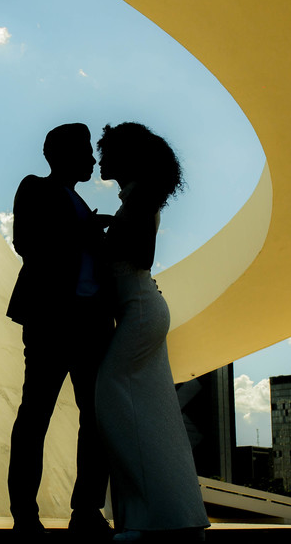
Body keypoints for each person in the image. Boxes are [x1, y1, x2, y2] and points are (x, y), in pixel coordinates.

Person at [94, 122, 209, 542]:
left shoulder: (139, 198)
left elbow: (140, 254)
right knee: (156, 417)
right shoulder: (138, 198)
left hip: (139, 311)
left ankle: (147, 518)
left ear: (126, 158)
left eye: (107, 152)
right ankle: (166, 515)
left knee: (112, 400)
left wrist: (98, 239)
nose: (101, 160)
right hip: (140, 310)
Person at [5, 123, 114, 539]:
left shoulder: (81, 204)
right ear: (61, 155)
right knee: (36, 415)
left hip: (90, 325)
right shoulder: (35, 188)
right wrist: (86, 232)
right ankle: (24, 514)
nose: (91, 159)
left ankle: (86, 509)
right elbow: (27, 242)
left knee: (96, 419)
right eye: (85, 151)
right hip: (51, 321)